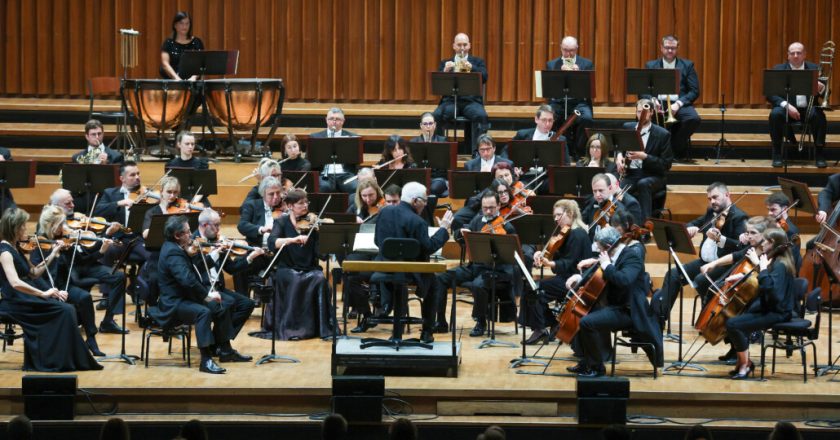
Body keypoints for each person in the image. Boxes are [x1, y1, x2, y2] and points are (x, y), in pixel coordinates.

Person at [0, 207, 102, 371]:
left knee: (67, 309)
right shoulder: (5, 252)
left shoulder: (15, 248)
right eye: (24, 226)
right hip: (15, 301)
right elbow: (15, 283)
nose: (27, 229)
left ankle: (66, 359)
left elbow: (33, 273)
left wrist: (53, 252)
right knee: (65, 310)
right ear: (15, 228)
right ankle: (55, 361)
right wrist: (44, 293)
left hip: (24, 298)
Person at [156, 215, 249, 374]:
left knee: (221, 306)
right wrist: (208, 295)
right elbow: (188, 281)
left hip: (185, 297)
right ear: (177, 236)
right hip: (175, 303)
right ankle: (205, 360)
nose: (190, 235)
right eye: (186, 232)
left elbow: (196, 270)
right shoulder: (173, 253)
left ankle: (224, 350)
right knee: (203, 312)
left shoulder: (178, 248)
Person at [564, 225, 656, 377]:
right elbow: (599, 274)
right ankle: (586, 361)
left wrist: (606, 264)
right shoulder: (613, 255)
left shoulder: (631, 256)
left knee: (587, 322)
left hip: (629, 310)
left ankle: (596, 367)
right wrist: (579, 277)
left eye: (600, 249)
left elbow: (624, 280)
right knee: (580, 313)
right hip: (614, 305)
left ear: (607, 247)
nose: (598, 252)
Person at [651, 182, 748, 325]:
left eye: (715, 197)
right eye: (709, 199)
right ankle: (659, 320)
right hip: (704, 262)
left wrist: (721, 239)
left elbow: (740, 246)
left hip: (725, 264)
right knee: (673, 274)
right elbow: (693, 223)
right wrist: (690, 228)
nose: (712, 202)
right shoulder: (711, 212)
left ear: (727, 195)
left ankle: (708, 320)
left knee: (702, 279)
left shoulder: (739, 217)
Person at [374, 182, 454, 343]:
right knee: (435, 282)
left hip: (385, 268)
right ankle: (427, 331)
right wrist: (444, 229)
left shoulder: (384, 213)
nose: (425, 204)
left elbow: (377, 241)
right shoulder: (418, 221)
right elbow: (428, 248)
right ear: (415, 200)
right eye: (424, 201)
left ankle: (397, 329)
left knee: (403, 281)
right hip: (410, 272)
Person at [435, 189, 516, 338]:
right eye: (485, 208)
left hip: (498, 271)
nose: (488, 211)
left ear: (499, 206)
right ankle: (440, 322)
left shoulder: (507, 227)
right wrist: (460, 233)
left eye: (492, 208)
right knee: (441, 277)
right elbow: (464, 235)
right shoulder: (478, 220)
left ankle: (481, 322)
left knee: (479, 284)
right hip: (475, 267)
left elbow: (511, 257)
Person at [46, 190, 129, 335]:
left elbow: (88, 248)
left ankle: (108, 321)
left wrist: (105, 235)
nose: (73, 205)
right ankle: (77, 318)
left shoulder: (77, 223)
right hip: (70, 269)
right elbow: (76, 258)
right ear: (55, 205)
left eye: (72, 201)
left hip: (86, 263)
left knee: (119, 277)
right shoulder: (50, 226)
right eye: (68, 203)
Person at [699, 216, 772, 365]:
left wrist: (755, 263)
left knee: (733, 312)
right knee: (718, 290)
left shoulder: (770, 251)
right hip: (747, 291)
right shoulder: (752, 248)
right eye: (747, 232)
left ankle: (740, 349)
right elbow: (735, 256)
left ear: (764, 235)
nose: (748, 236)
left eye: (753, 233)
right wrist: (713, 264)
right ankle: (734, 347)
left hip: (763, 296)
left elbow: (768, 278)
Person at [724, 228, 795, 379]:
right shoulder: (776, 260)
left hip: (778, 312)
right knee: (734, 319)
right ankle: (743, 362)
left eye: (765, 241)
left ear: (773, 243)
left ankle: (745, 364)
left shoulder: (780, 265)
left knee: (733, 324)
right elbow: (765, 280)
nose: (762, 244)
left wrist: (762, 268)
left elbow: (773, 292)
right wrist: (742, 277)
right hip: (770, 308)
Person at [263, 189, 333, 340]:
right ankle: (292, 328)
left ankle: (318, 327)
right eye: (300, 203)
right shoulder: (281, 221)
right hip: (287, 268)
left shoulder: (312, 225)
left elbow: (320, 253)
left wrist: (326, 241)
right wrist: (291, 240)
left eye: (306, 202)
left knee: (319, 278)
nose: (305, 206)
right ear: (290, 206)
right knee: (296, 279)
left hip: (309, 267)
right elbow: (271, 242)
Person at [522, 199, 592, 344]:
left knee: (534, 289)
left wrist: (550, 263)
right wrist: (541, 255)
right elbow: (561, 257)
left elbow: (569, 263)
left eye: (559, 215)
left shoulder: (578, 234)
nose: (555, 219)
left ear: (571, 214)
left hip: (575, 281)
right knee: (532, 288)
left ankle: (543, 328)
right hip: (565, 278)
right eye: (554, 215)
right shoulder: (567, 233)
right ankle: (548, 326)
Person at [194, 209, 260, 342]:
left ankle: (218, 340)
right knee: (227, 304)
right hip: (203, 292)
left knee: (247, 304)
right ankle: (224, 348)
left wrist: (250, 257)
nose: (219, 229)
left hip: (218, 288)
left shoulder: (217, 241)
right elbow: (197, 269)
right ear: (205, 225)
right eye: (216, 225)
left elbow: (231, 268)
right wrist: (215, 253)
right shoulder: (193, 243)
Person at [767, 42, 828, 168]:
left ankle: (820, 153)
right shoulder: (779, 69)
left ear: (804, 54)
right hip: (786, 108)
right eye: (792, 53)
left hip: (808, 108)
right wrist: (786, 105)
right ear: (788, 55)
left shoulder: (814, 68)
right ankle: (777, 153)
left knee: (819, 116)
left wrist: (821, 89)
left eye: (799, 53)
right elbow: (770, 94)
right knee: (775, 114)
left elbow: (825, 95)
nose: (796, 56)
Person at [642, 35, 701, 162]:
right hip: (657, 103)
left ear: (677, 48)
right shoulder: (651, 65)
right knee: (643, 115)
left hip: (678, 103)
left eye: (673, 48)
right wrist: (652, 100)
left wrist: (679, 104)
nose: (670, 51)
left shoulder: (688, 65)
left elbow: (694, 91)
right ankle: (648, 151)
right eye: (667, 47)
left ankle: (672, 148)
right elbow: (643, 90)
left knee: (693, 119)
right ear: (661, 48)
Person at [617, 98, 674, 221]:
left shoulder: (663, 134)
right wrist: (619, 157)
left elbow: (666, 164)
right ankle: (621, 223)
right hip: (631, 174)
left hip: (653, 175)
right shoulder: (628, 127)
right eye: (638, 112)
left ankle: (645, 226)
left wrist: (645, 157)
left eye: (645, 111)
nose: (641, 115)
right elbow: (619, 147)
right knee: (618, 189)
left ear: (652, 112)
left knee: (643, 184)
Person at [431, 33, 489, 152]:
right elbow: (439, 84)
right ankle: (440, 151)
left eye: (465, 45)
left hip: (471, 102)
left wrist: (472, 68)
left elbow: (484, 77)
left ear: (469, 46)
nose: (462, 48)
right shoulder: (445, 62)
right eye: (459, 45)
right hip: (451, 101)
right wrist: (445, 71)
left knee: (481, 116)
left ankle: (477, 153)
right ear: (454, 46)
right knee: (436, 116)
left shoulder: (477, 62)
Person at [95, 161, 152, 268]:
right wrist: (119, 203)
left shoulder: (147, 194)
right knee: (109, 250)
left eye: (138, 174)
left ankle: (138, 284)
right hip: (118, 238)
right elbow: (97, 210)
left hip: (137, 238)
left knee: (153, 256)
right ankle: (108, 281)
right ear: (122, 179)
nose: (137, 177)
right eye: (132, 175)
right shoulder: (110, 193)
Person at [546, 36, 595, 158]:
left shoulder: (586, 64)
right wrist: (559, 74)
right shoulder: (552, 64)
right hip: (558, 102)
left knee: (586, 118)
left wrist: (579, 75)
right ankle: (555, 151)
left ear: (577, 48)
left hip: (579, 102)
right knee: (547, 116)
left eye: (572, 50)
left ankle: (579, 151)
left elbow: (590, 89)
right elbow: (548, 91)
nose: (569, 54)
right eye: (565, 50)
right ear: (561, 48)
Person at [310, 108, 359, 193]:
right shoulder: (315, 137)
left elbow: (356, 160)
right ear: (326, 120)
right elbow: (310, 159)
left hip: (345, 174)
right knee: (324, 188)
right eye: (331, 118)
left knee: (355, 187)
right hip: (324, 174)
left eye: (338, 119)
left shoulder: (352, 137)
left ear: (343, 121)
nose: (334, 121)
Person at [580, 173, 642, 238]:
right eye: (595, 191)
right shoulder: (593, 201)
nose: (597, 195)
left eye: (601, 190)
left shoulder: (620, 209)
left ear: (610, 188)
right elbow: (582, 219)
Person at [238, 176, 286, 247]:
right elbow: (242, 226)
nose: (276, 197)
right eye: (271, 194)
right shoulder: (252, 205)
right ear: (263, 194)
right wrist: (261, 229)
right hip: (258, 248)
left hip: (280, 248)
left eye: (278, 193)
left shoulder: (283, 207)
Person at [410, 112, 449, 196]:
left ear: (434, 125)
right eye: (425, 124)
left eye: (430, 123)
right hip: (420, 177)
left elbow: (446, 164)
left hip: (437, 178)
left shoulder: (442, 141)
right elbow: (412, 163)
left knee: (433, 189)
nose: (428, 126)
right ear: (421, 126)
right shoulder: (414, 142)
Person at [160, 11, 203, 80]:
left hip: (193, 83)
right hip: (173, 83)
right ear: (175, 25)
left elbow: (201, 63)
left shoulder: (197, 42)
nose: (184, 26)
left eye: (187, 23)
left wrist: (194, 77)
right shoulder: (168, 43)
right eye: (181, 23)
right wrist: (176, 78)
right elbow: (165, 64)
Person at [765, 192, 801, 271]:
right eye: (768, 210)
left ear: (785, 209)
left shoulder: (791, 231)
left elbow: (791, 259)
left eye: (773, 209)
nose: (769, 213)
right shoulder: (772, 224)